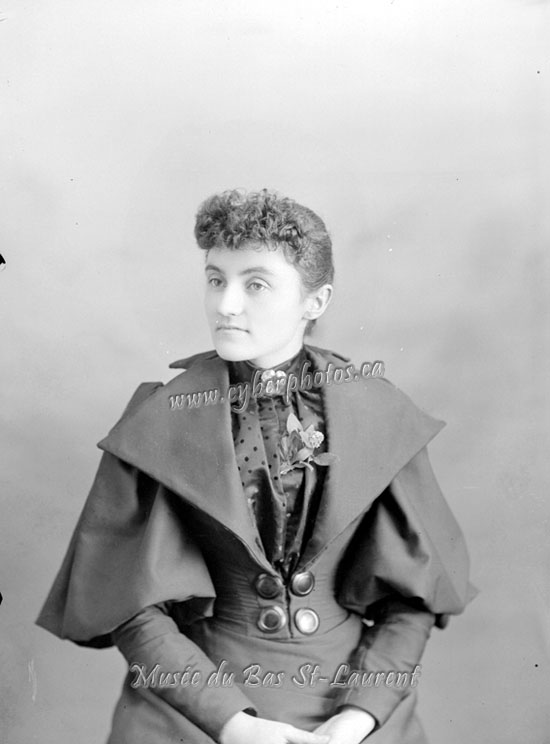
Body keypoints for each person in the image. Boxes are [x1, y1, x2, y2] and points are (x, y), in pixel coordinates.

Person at [37, 189, 475, 744]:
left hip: (351, 708)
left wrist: (359, 718)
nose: (225, 304)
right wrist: (230, 723)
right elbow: (129, 603)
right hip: (192, 710)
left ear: (315, 301)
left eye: (256, 284)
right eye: (215, 279)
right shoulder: (160, 419)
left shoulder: (379, 412)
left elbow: (412, 600)